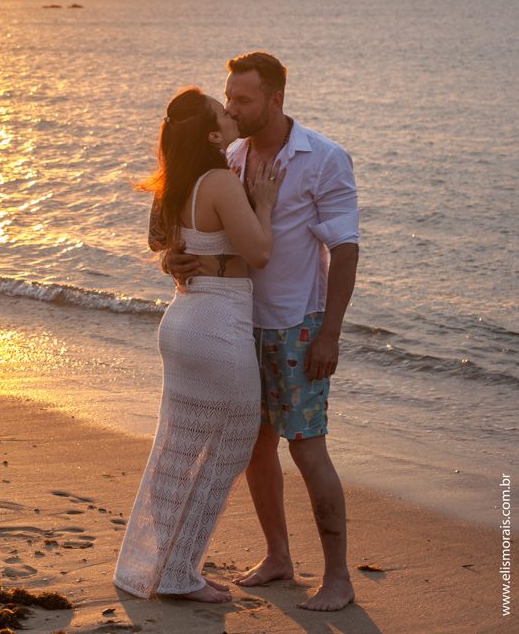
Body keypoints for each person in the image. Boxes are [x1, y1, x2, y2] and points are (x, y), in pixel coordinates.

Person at [162, 52, 360, 612]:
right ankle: (278, 557)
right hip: (234, 323)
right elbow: (205, 226)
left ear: (276, 99)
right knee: (255, 447)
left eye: (244, 99)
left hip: (298, 325)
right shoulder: (230, 154)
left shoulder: (323, 158)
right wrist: (178, 260)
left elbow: (345, 250)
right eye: (229, 99)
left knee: (309, 450)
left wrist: (330, 336)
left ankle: (339, 577)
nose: (232, 108)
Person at [114, 87, 284, 603]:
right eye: (222, 110)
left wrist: (172, 258)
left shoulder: (176, 182)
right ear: (213, 135)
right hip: (218, 326)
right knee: (225, 454)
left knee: (176, 453)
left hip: (181, 322)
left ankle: (150, 565)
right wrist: (266, 204)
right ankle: (179, 574)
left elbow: (155, 239)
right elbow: (259, 252)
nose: (231, 113)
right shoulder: (219, 181)